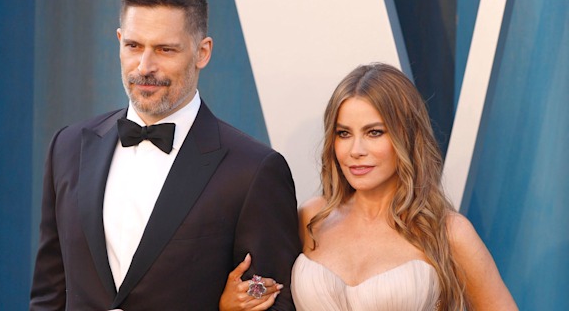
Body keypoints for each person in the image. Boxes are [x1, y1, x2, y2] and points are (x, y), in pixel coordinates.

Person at [29, 0, 300, 310]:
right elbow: (48, 294)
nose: (144, 66)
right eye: (133, 46)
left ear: (202, 52)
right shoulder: (67, 148)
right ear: (119, 42)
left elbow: (271, 304)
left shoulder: (253, 171)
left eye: (165, 49)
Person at [221, 62, 518, 310]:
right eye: (344, 133)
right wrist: (232, 303)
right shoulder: (311, 218)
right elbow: (272, 295)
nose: (356, 150)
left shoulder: (448, 231)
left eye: (374, 132)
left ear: (406, 137)